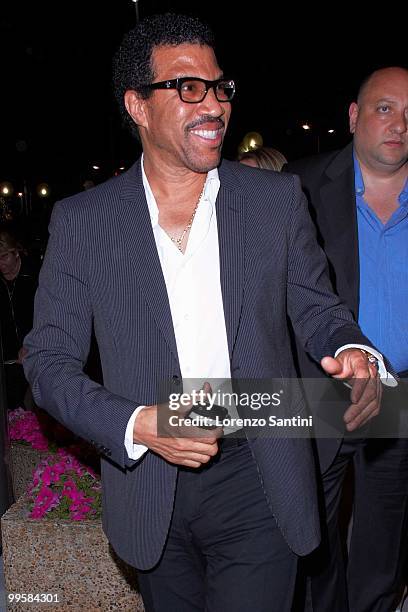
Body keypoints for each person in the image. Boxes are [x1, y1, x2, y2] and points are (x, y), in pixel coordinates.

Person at [24, 14, 383, 611]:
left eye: (220, 87)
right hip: (150, 486)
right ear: (138, 105)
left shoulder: (273, 200)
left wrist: (353, 349)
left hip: (259, 470)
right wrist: (139, 423)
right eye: (189, 88)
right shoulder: (84, 222)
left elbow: (320, 309)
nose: (214, 104)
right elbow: (48, 362)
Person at [285, 66, 408, 612]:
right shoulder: (299, 186)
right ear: (355, 116)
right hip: (321, 390)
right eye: (385, 108)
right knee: (313, 544)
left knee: (384, 543)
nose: (399, 124)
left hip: (400, 396)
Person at [0, 226, 39, 409]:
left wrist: (31, 343)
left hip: (36, 354)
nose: (1, 264)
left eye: (4, 256)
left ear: (16, 252)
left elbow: (47, 316)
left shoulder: (36, 276)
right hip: (9, 362)